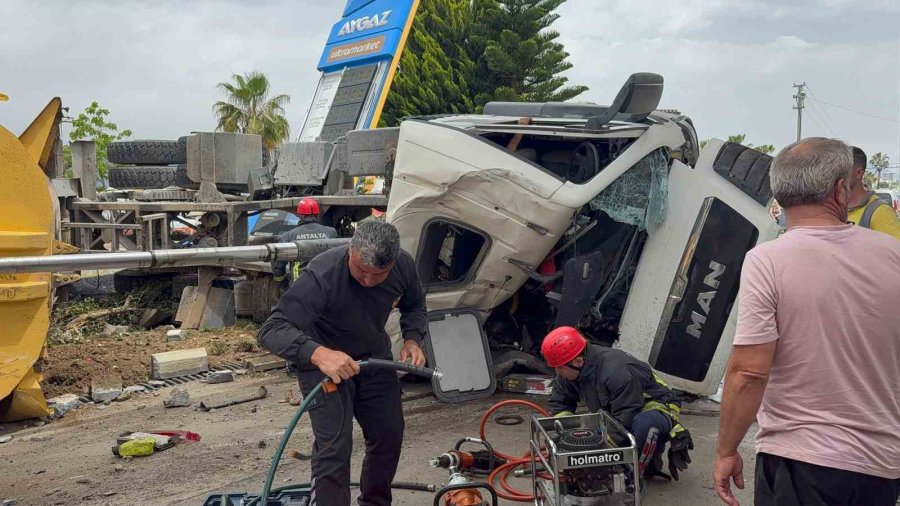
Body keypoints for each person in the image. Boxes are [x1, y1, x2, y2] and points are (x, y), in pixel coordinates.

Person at [714, 138, 900, 506]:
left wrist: (725, 451)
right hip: (881, 466)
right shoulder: (893, 254)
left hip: (800, 462)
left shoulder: (768, 260)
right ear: (839, 189)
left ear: (779, 197)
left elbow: (749, 372)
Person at [258, 220, 428, 506]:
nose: (369, 281)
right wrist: (320, 354)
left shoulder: (403, 266)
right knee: (334, 446)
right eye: (362, 271)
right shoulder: (321, 276)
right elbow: (271, 330)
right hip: (322, 364)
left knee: (388, 434)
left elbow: (415, 305)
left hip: (372, 359)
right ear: (350, 250)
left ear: (393, 263)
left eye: (379, 275)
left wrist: (413, 338)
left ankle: (375, 502)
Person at [543, 326, 693, 483]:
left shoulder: (616, 371)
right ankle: (640, 459)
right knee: (600, 438)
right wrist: (566, 439)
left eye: (559, 369)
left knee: (644, 426)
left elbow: (625, 419)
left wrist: (594, 458)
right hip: (621, 408)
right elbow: (561, 404)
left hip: (656, 406)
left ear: (578, 361)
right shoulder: (569, 368)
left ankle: (632, 478)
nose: (557, 373)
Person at [271, 197, 338, 290]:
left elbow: (277, 265)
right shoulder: (331, 233)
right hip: (325, 286)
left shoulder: (289, 236)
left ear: (301, 215)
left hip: (299, 287)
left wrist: (283, 285)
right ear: (317, 214)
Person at [847, 145, 900, 239]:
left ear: (858, 173)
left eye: (841, 170)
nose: (833, 174)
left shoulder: (881, 211)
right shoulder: (832, 207)